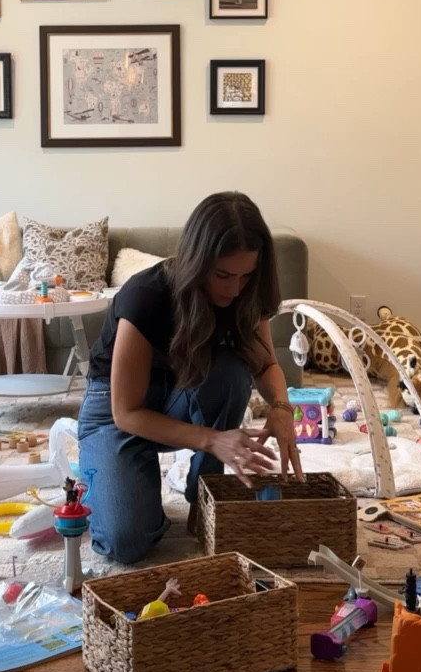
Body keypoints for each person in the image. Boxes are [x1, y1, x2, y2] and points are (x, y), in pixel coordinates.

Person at [77, 192, 305, 563]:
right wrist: (213, 439)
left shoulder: (245, 294)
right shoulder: (146, 296)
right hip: (119, 413)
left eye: (246, 276)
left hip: (183, 393)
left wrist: (282, 408)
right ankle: (99, 474)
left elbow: (264, 365)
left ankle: (203, 492)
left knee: (232, 373)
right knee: (126, 542)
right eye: (223, 275)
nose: (234, 289)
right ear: (197, 262)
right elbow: (127, 413)